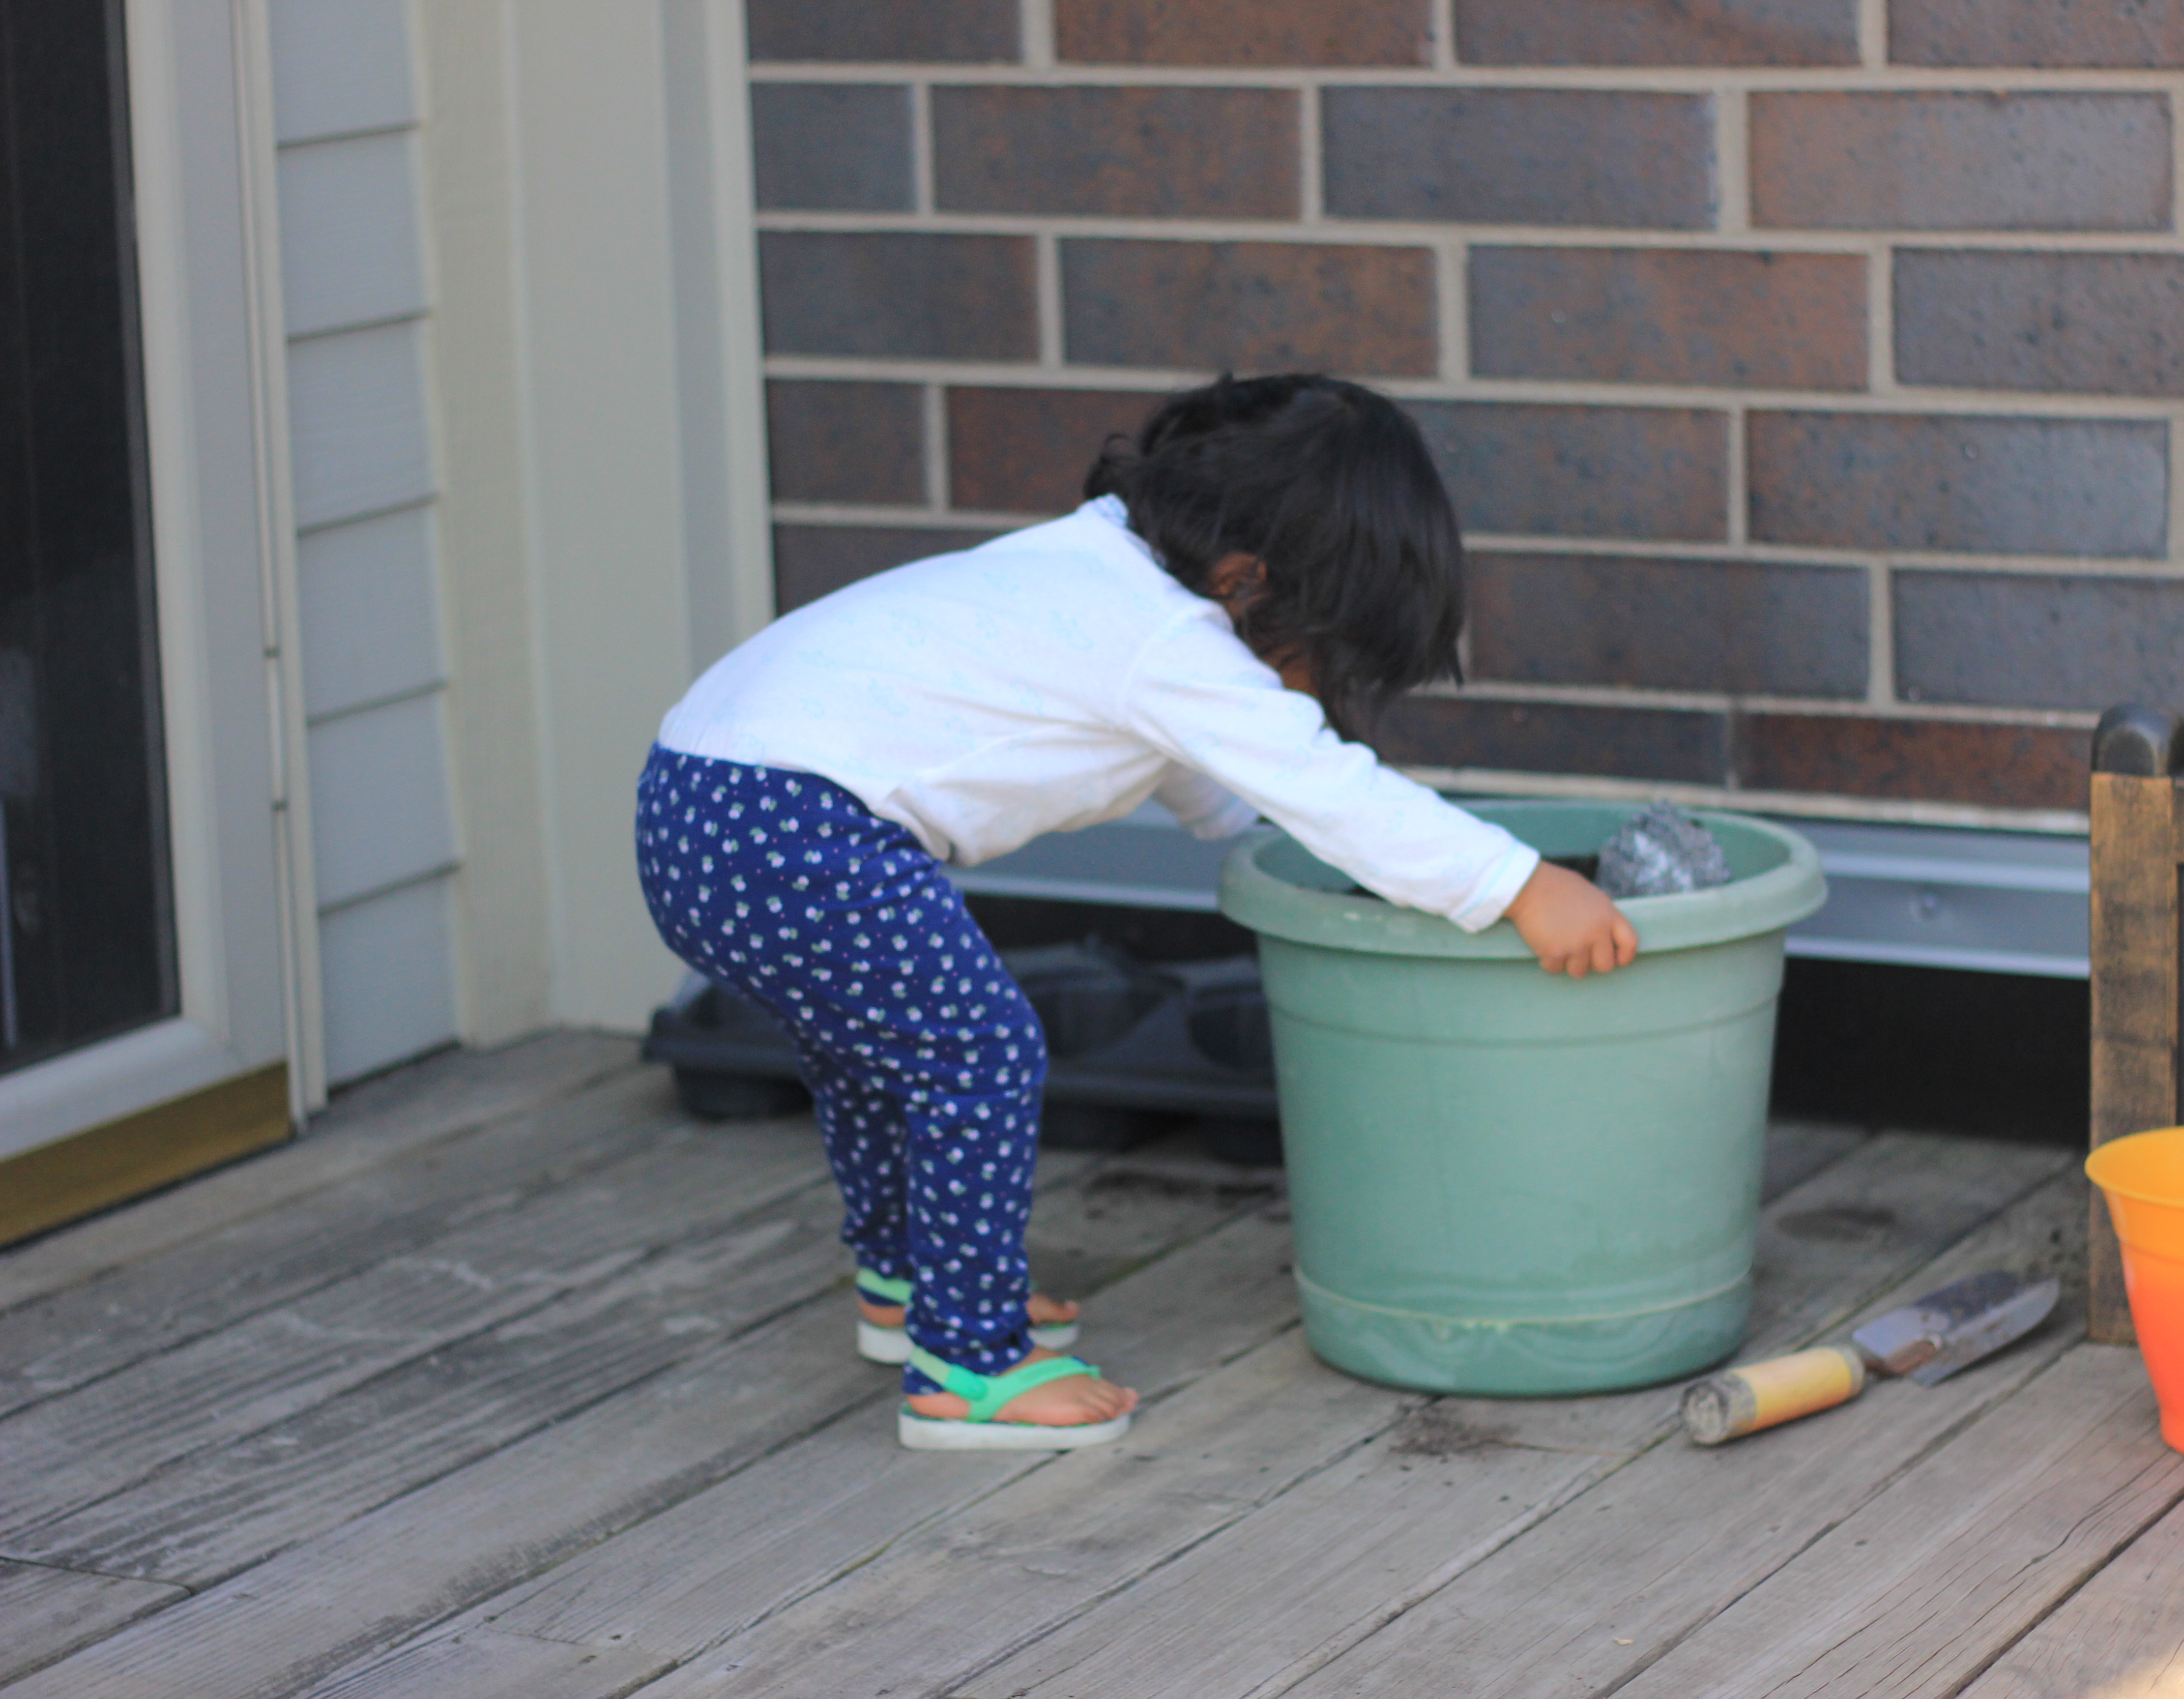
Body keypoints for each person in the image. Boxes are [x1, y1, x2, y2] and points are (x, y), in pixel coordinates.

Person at [636, 373, 1638, 1450]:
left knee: (880, 1056)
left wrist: (1277, 825)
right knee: (978, 1055)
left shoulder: (1095, 572)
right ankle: (967, 1368)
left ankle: (910, 1286)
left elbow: (1209, 776)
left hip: (697, 795)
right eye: (1317, 661)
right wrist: (1520, 885)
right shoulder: (1169, 643)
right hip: (788, 821)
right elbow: (1329, 788)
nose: (1301, 693)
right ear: (1248, 582)